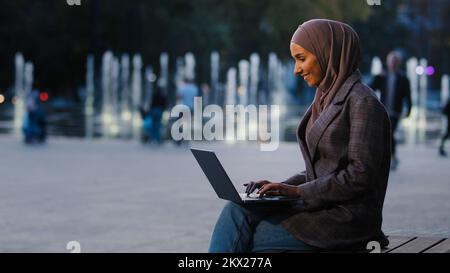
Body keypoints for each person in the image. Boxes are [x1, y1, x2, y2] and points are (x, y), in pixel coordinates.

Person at [208, 19, 391, 253]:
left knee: (251, 240)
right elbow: (322, 169)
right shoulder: (324, 97)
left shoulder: (362, 102)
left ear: (328, 53)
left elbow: (360, 176)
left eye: (301, 59)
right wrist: (280, 186)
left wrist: (296, 192)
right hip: (321, 207)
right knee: (236, 209)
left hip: (346, 220)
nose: (296, 69)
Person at [370, 51, 412, 170]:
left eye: (395, 62)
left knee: (389, 132)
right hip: (383, 110)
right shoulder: (383, 76)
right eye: (391, 61)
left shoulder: (403, 78)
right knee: (385, 133)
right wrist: (377, 76)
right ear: (388, 63)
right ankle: (391, 156)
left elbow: (408, 96)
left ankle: (391, 157)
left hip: (395, 111)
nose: (393, 64)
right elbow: (370, 86)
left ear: (398, 63)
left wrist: (409, 110)